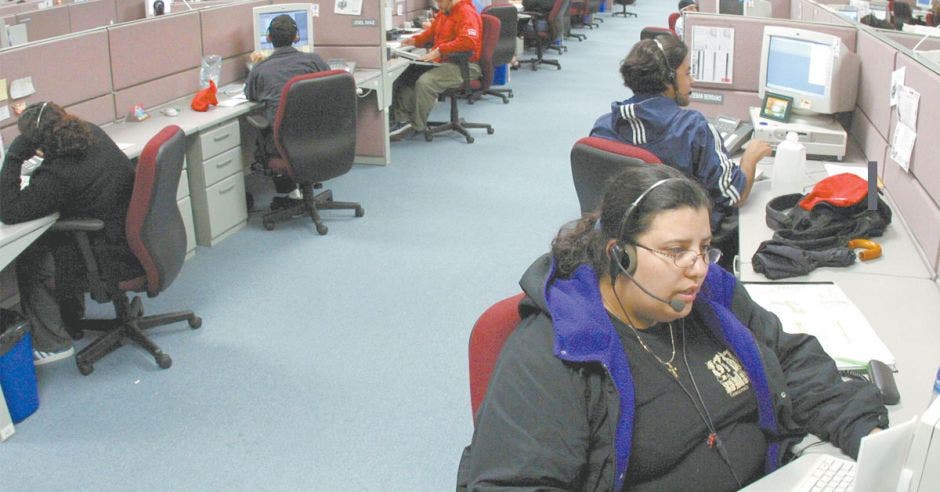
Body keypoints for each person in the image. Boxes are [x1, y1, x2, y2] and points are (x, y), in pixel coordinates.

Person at [457, 165, 888, 490]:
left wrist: (868, 439)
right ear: (618, 254)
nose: (697, 269)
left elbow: (790, 358)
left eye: (704, 249)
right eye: (676, 251)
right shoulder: (558, 350)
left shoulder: (710, 296)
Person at [590, 35, 772, 264]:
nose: (692, 81)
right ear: (668, 80)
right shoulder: (693, 128)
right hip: (678, 247)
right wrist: (750, 158)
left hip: (622, 241)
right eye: (687, 73)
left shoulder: (603, 127)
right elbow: (733, 195)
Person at [0, 102, 143, 365]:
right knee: (54, 238)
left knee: (32, 258)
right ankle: (71, 318)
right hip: (130, 237)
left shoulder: (59, 172)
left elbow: (9, 211)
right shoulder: (90, 132)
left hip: (111, 253)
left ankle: (54, 344)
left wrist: (13, 158)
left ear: (36, 142)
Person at [245, 14, 329, 204]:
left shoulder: (260, 69)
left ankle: (290, 190)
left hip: (283, 144)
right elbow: (332, 85)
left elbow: (250, 95)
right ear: (296, 37)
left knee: (265, 134)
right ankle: (299, 187)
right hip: (322, 139)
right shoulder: (314, 61)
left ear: (268, 39)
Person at [389, 0, 482, 141]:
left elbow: (468, 41)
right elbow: (431, 34)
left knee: (425, 82)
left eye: (440, 1)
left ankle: (417, 125)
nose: (437, 4)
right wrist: (415, 40)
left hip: (464, 65)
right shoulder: (444, 13)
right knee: (406, 75)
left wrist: (440, 50)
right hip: (443, 62)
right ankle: (403, 121)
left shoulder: (466, 13)